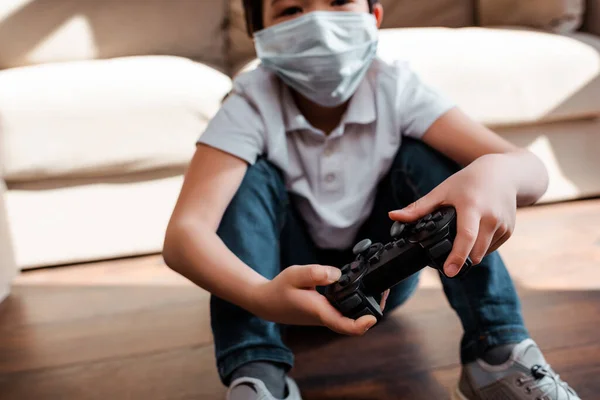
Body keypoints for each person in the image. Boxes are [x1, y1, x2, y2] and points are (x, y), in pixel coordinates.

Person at [162, 1, 581, 399]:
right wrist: (258, 295)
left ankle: (497, 353)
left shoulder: (395, 88)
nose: (319, 23)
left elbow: (530, 170)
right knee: (243, 175)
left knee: (438, 159)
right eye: (292, 9)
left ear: (373, 15)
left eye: (340, 1)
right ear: (259, 35)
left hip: (382, 283)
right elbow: (185, 235)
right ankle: (256, 376)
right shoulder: (250, 102)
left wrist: (498, 171)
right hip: (276, 287)